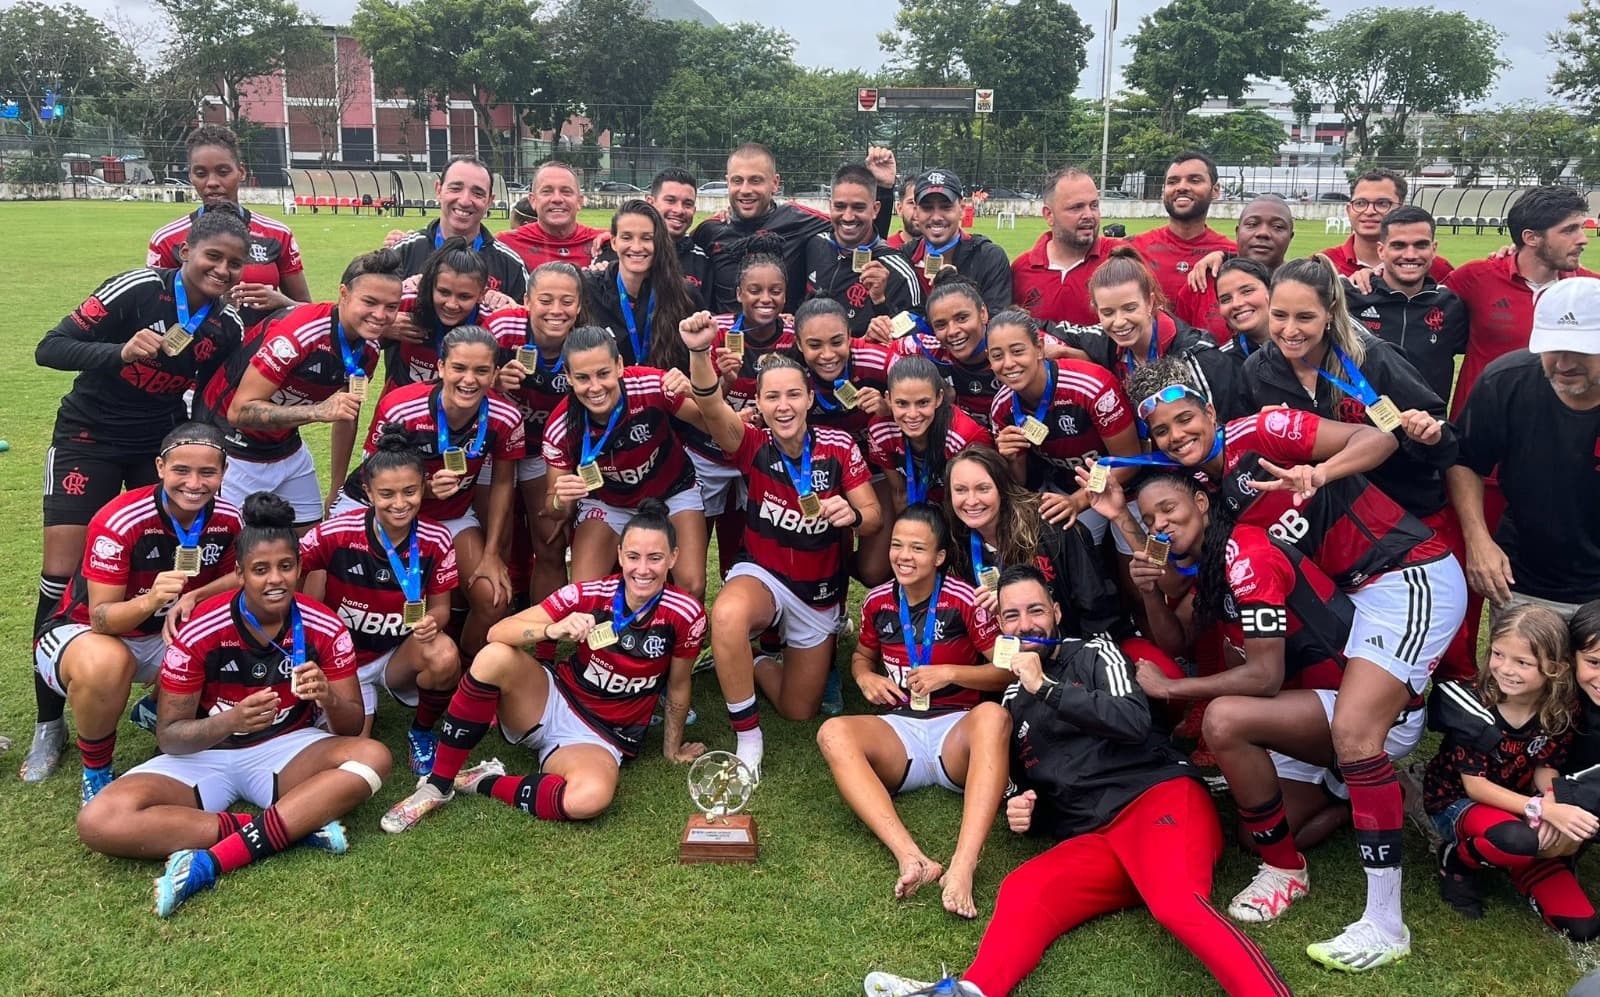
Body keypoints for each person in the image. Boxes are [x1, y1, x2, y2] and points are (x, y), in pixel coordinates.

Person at [1133, 357, 1468, 971]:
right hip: (1353, 599)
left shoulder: (1262, 431)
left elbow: (1378, 438)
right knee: (1263, 812)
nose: (1177, 435)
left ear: (1211, 412)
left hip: (1406, 573)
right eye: (1162, 430)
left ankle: (1385, 924)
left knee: (1356, 733)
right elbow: (1180, 579)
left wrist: (1318, 472)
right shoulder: (1212, 496)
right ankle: (1347, 803)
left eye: (1186, 419)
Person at [862, 565, 1293, 997]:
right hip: (1095, 835)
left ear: (1056, 612)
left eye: (1035, 610)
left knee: (1175, 902)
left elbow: (1134, 720)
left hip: (1157, 800)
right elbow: (1032, 788)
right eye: (1011, 616)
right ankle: (971, 990)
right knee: (1024, 888)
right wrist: (1024, 808)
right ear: (1001, 628)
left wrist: (1046, 688)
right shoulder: (1012, 699)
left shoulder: (1094, 652)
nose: (1025, 624)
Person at [75, 493, 391, 918]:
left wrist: (327, 696)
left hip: (285, 749)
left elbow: (350, 728)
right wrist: (231, 720)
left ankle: (211, 861)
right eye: (260, 569)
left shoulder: (324, 625)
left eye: (286, 566)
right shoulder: (200, 629)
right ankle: (292, 826)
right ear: (240, 573)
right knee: (98, 821)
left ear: (300, 567)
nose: (275, 580)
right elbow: (170, 737)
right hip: (207, 754)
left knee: (373, 757)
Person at [1088, 470, 1383, 925]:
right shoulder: (1208, 565)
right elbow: (1177, 643)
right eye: (1149, 520)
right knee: (1254, 834)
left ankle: (1286, 872)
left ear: (1202, 504)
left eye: (1168, 509)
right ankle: (1348, 791)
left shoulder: (1247, 554)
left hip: (1360, 710)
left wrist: (1172, 688)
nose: (1159, 524)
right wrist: (1149, 595)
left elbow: (1264, 677)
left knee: (1224, 720)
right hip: (1302, 712)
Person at [27, 209, 249, 783]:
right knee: (61, 575)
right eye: (213, 257)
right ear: (185, 252)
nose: (222, 270)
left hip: (157, 445)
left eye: (234, 263)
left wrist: (207, 455)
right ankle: (49, 721)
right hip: (89, 438)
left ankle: (161, 688)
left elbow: (211, 398)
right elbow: (50, 347)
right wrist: (119, 351)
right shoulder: (138, 289)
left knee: (166, 561)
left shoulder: (226, 326)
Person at [378, 499, 706, 831]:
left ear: (673, 558)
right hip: (552, 701)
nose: (643, 569)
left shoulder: (685, 613)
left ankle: (483, 781)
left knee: (589, 799)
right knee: (494, 656)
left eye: (655, 558)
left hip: (602, 735)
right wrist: (553, 629)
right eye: (633, 556)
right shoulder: (589, 593)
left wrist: (672, 749)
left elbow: (679, 683)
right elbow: (497, 632)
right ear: (620, 555)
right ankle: (438, 785)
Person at [679, 312, 882, 777]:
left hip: (817, 593)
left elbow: (872, 517)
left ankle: (757, 659)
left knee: (798, 709)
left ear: (810, 398)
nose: (783, 406)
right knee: (727, 615)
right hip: (764, 575)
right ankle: (748, 738)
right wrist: (698, 351)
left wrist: (852, 514)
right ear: (759, 403)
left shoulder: (838, 446)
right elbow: (710, 406)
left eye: (793, 394)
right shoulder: (752, 444)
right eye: (772, 397)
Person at [31, 424, 243, 803]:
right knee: (106, 663)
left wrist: (196, 597)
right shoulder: (121, 518)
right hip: (86, 634)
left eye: (207, 472)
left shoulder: (228, 518)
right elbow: (102, 618)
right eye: (181, 470)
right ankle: (96, 770)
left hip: (162, 633)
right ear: (160, 467)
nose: (194, 483)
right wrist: (151, 600)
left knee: (237, 638)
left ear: (224, 472)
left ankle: (157, 711)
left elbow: (236, 579)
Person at [819, 505, 1008, 919]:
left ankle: (963, 865)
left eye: (918, 548)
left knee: (995, 718)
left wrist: (951, 673)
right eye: (897, 545)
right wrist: (864, 676)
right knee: (832, 732)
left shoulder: (965, 600)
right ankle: (912, 858)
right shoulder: (877, 602)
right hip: (900, 729)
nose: (904, 556)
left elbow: (1004, 672)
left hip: (957, 730)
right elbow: (862, 656)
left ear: (939, 557)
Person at [334, 326, 525, 658]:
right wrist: (426, 490)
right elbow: (373, 476)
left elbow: (502, 484)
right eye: (459, 368)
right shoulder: (401, 407)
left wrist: (492, 553)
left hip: (451, 515)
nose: (469, 380)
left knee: (493, 598)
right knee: (356, 587)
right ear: (440, 367)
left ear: (495, 373)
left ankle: (465, 672)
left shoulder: (505, 416)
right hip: (377, 509)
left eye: (481, 370)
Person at [1244, 256, 1458, 536]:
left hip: (1404, 520)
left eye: (1305, 317)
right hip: (1325, 528)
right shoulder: (1257, 370)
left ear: (1330, 312)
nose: (1290, 330)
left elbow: (1446, 443)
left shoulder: (1373, 359)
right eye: (1279, 315)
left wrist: (1429, 436)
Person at [1426, 606, 1600, 938]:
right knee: (1516, 839)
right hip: (1459, 803)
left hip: (1520, 805)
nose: (1506, 669)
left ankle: (1521, 859)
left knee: (1582, 926)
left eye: (1523, 662)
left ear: (1555, 668)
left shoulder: (1561, 706)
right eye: (1498, 654)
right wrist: (1541, 809)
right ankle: (1457, 861)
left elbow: (1545, 764)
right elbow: (1475, 787)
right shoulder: (1475, 704)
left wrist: (1554, 800)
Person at [197, 249, 404, 527]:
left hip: (286, 446)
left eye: (391, 307)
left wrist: (337, 488)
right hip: (232, 444)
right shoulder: (300, 332)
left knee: (310, 541)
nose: (380, 315)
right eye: (370, 302)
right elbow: (239, 411)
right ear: (344, 294)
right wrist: (317, 411)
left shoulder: (369, 349)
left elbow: (346, 415)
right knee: (237, 543)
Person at [298, 426, 461, 774]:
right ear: (369, 491)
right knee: (352, 751)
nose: (399, 504)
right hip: (343, 661)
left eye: (410, 492)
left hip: (395, 656)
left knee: (444, 653)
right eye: (387, 493)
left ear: (423, 488)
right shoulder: (336, 532)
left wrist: (433, 621)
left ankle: (422, 731)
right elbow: (289, 568)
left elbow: (441, 607)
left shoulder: (437, 538)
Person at [1449, 277, 1600, 619]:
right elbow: (1463, 459)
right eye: (1553, 348)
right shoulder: (1506, 381)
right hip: (1524, 583)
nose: (1564, 363)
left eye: (1581, 350)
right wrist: (1478, 540)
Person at [542, 325, 708, 602]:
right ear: (568, 377)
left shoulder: (652, 385)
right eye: (582, 377)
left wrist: (697, 393)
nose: (595, 387)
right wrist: (561, 499)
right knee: (584, 595)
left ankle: (679, 625)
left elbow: (708, 422)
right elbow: (554, 508)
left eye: (603, 373)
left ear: (619, 365)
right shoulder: (560, 427)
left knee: (691, 586)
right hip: (609, 502)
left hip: (672, 490)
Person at [679, 240, 795, 579]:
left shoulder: (794, 335)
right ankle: (687, 598)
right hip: (708, 452)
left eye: (775, 291)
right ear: (739, 293)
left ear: (786, 296)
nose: (765, 298)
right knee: (693, 542)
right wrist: (725, 384)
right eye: (755, 290)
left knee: (750, 541)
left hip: (761, 455)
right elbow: (693, 400)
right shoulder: (714, 332)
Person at [985, 308, 1141, 542]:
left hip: (1123, 486)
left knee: (1137, 561)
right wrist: (1012, 459)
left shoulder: (1090, 386)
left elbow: (1128, 461)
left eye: (1017, 351)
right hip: (1066, 487)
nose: (1008, 363)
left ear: (1039, 348)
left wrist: (1076, 501)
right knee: (1062, 551)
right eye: (997, 356)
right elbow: (1020, 483)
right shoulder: (1001, 407)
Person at [942, 445, 1126, 639]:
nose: (971, 501)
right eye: (960, 490)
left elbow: (1095, 605)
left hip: (1076, 645)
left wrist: (1081, 654)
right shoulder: (957, 546)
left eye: (983, 488)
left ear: (1002, 489)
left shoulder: (1050, 525)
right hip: (1012, 652)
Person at [486, 261, 588, 604]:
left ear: (579, 305)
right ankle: (489, 623)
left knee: (550, 544)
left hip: (545, 455)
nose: (556, 310)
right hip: (494, 449)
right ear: (527, 301)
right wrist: (493, 381)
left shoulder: (585, 344)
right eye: (545, 300)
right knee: (493, 543)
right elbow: (461, 380)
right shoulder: (501, 328)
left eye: (567, 301)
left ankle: (547, 632)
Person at [1448, 185, 1595, 419]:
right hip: (1481, 426)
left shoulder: (1591, 290)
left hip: (1554, 428)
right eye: (1569, 230)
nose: (1582, 239)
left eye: (1581, 228)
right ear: (1531, 237)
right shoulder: (1476, 277)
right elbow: (1416, 297)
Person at [694, 143, 895, 312]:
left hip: (786, 344)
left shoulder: (800, 220)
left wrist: (884, 189)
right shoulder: (709, 231)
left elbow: (859, 228)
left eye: (756, 180)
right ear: (727, 182)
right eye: (737, 181)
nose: (745, 190)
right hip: (727, 345)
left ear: (775, 183)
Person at [148, 125, 310, 328]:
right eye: (201, 173)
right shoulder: (167, 240)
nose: (212, 182)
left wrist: (282, 302)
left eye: (223, 172)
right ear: (190, 176)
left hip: (265, 347)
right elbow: (153, 313)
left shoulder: (277, 234)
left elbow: (308, 309)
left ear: (241, 172)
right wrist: (213, 304)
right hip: (198, 346)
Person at [857, 357, 993, 584]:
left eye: (922, 403)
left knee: (967, 570)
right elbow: (899, 492)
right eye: (902, 404)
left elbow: (982, 497)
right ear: (888, 399)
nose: (912, 414)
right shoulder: (881, 430)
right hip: (921, 502)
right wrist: (910, 541)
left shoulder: (963, 435)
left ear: (939, 398)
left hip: (965, 506)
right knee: (874, 570)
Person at [1080, 247, 1248, 422]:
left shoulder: (1197, 357)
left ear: (1150, 302)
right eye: (1107, 313)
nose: (1119, 321)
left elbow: (1226, 425)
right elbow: (1065, 331)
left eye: (1130, 308)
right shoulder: (1106, 339)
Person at [1343, 206, 1469, 405]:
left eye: (1421, 245)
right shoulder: (1349, 296)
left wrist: (1512, 252)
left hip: (1427, 421)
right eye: (1398, 245)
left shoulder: (1450, 304)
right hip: (1358, 422)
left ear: (1434, 249)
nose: (1410, 255)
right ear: (1381, 250)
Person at [802, 162, 922, 335]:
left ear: (875, 209)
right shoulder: (815, 244)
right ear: (830, 206)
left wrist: (880, 304)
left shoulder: (899, 272)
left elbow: (917, 335)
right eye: (840, 206)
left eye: (858, 207)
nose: (848, 216)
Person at [1128, 150, 1235, 339]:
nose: (1182, 187)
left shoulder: (1232, 253)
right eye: (1173, 181)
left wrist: (1226, 256)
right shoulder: (1134, 248)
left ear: (1215, 190)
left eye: (1194, 180)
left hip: (1212, 356)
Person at [387, 156, 528, 299]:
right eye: (455, 189)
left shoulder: (510, 265)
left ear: (489, 202)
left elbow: (529, 310)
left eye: (478, 193)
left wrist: (512, 308)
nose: (465, 201)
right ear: (439, 190)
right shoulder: (404, 252)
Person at [583, 200, 697, 368]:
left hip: (666, 385)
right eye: (626, 237)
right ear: (614, 242)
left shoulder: (684, 294)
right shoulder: (589, 289)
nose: (636, 247)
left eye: (646, 238)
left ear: (658, 242)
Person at [1010, 166, 1121, 326]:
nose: (1089, 215)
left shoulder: (1119, 258)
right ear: (1049, 215)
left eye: (1094, 205)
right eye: (1076, 207)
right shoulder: (1021, 269)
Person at [383, 239, 498, 392]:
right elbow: (359, 330)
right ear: (431, 285)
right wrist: (383, 328)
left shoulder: (492, 324)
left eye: (464, 297)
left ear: (481, 294)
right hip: (401, 401)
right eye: (444, 292)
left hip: (461, 404)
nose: (451, 304)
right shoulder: (408, 304)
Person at [1177, 195, 1296, 338]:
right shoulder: (1201, 282)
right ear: (1237, 232)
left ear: (1290, 237)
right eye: (1252, 224)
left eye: (1277, 227)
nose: (1263, 233)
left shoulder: (1304, 286)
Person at [900, 168, 1011, 315]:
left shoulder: (989, 257)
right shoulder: (905, 257)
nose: (936, 217)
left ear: (962, 208)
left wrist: (959, 289)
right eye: (927, 208)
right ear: (916, 211)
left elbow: (997, 322)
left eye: (946, 207)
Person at [1316, 170, 1453, 280]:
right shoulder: (1323, 265)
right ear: (1349, 209)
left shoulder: (1436, 269)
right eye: (1360, 203)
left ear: (1402, 208)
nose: (1369, 211)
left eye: (1382, 203)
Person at [500, 160, 609, 270]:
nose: (557, 199)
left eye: (566, 191)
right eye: (547, 191)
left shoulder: (604, 242)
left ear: (579, 201)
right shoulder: (506, 244)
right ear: (533, 201)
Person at [644, 167, 712, 297]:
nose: (679, 210)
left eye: (688, 204)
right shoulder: (626, 252)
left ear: (694, 210)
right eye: (670, 200)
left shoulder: (702, 261)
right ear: (651, 203)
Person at [885, 175, 921, 251]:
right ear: (899, 208)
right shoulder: (886, 248)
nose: (918, 210)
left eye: (924, 204)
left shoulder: (942, 252)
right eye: (912, 203)